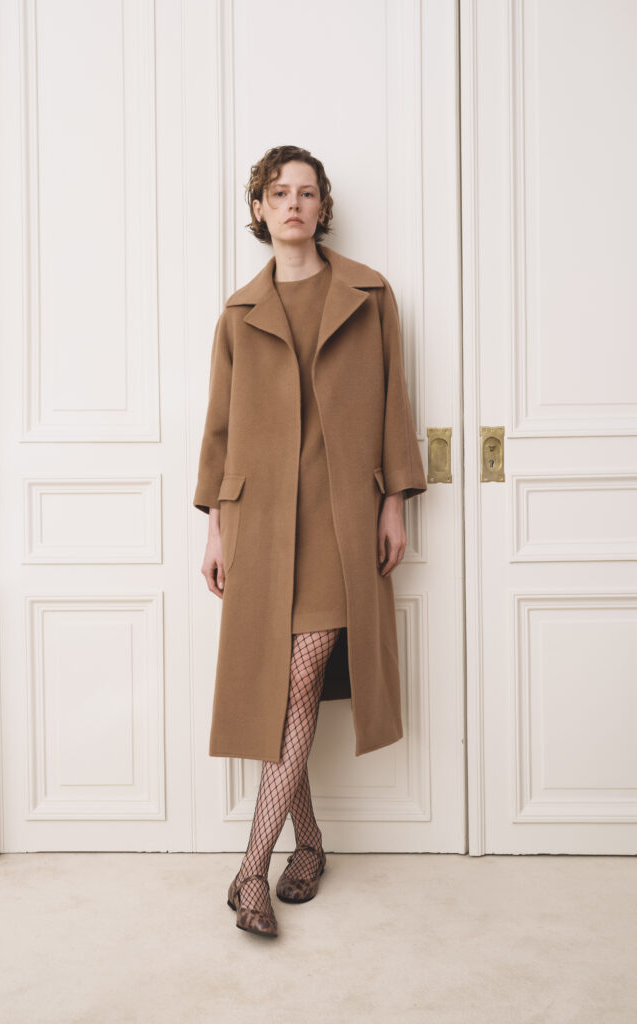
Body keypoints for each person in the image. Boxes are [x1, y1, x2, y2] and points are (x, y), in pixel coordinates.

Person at [194, 145, 426, 937]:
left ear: (324, 207)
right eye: (277, 192)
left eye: (306, 192)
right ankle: (312, 845)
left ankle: (250, 870)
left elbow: (395, 402)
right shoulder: (238, 312)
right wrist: (215, 528)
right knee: (277, 687)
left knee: (298, 680)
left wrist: (394, 504)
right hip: (260, 523)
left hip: (338, 519)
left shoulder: (369, 294)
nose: (292, 203)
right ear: (259, 210)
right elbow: (219, 430)